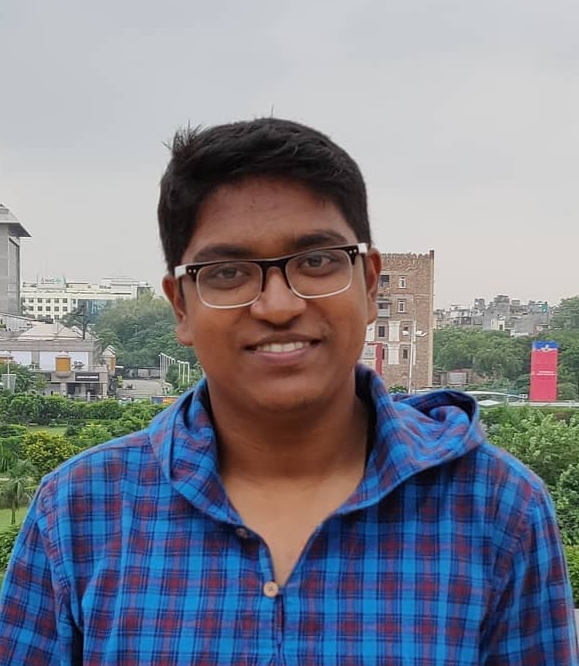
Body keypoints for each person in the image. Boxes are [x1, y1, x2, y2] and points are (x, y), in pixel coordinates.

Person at [0, 118, 577, 665]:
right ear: (181, 306)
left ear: (369, 284)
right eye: (228, 272)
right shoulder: (79, 513)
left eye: (317, 261)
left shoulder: (498, 509)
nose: (278, 306)